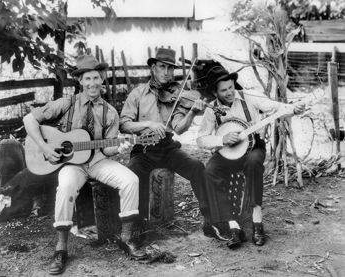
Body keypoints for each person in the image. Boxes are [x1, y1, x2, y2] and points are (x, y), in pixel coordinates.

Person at [23, 54, 146, 276]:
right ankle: (61, 248)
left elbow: (107, 148)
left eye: (97, 78)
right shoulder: (66, 103)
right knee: (66, 187)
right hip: (73, 165)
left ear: (102, 79)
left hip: (98, 160)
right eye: (87, 78)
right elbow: (28, 120)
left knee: (131, 180)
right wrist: (44, 147)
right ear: (80, 80)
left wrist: (119, 148)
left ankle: (126, 239)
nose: (92, 83)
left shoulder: (110, 111)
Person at [196, 66, 305, 248]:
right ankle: (233, 226)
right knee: (209, 172)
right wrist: (220, 139)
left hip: (254, 147)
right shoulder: (211, 110)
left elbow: (276, 108)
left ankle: (257, 222)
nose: (230, 92)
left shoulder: (249, 97)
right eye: (224, 90)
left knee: (254, 162)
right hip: (226, 152)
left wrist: (294, 109)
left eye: (231, 87)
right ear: (215, 92)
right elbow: (200, 139)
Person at [119, 47, 208, 229]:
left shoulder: (175, 95)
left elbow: (179, 128)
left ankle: (211, 219)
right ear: (153, 67)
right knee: (133, 174)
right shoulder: (138, 94)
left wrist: (191, 112)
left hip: (168, 149)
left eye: (170, 68)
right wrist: (149, 124)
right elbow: (123, 125)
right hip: (143, 150)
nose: (166, 73)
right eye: (162, 67)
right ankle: (137, 226)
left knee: (197, 167)